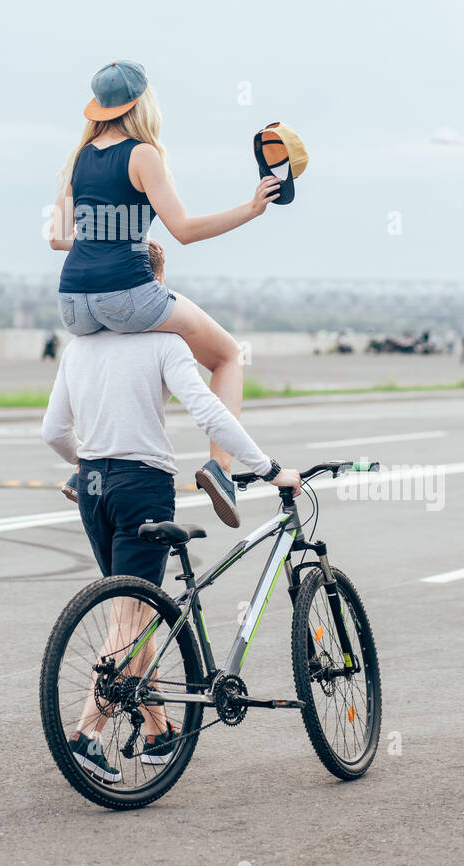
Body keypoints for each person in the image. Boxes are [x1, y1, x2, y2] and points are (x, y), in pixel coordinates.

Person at [41, 240, 301, 781]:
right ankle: (88, 736)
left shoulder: (78, 347)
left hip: (92, 484)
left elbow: (53, 432)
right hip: (143, 484)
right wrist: (267, 465)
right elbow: (208, 409)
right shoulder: (164, 341)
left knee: (134, 606)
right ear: (152, 287)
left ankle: (158, 732)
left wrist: (80, 466)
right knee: (128, 616)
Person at [49, 59, 281, 525]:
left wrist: (104, 236)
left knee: (125, 363)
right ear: (143, 103)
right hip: (128, 294)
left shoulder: (80, 157)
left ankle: (88, 470)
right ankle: (223, 469)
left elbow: (57, 237)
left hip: (74, 302)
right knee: (227, 356)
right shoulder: (143, 154)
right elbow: (185, 230)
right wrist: (251, 209)